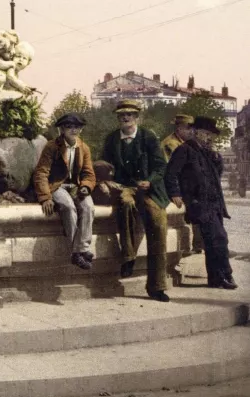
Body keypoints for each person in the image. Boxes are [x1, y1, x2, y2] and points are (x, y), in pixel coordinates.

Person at [100, 100, 171, 302]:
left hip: (150, 189)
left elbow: (160, 167)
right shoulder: (112, 139)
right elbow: (104, 164)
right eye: (122, 115)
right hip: (125, 188)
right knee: (125, 203)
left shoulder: (148, 137)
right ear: (118, 118)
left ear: (137, 118)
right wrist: (106, 180)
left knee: (158, 224)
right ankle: (129, 257)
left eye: (130, 115)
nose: (125, 118)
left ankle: (157, 286)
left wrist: (149, 181)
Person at [165, 116, 236, 290]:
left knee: (216, 240)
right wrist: (175, 193)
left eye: (212, 135)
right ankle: (224, 275)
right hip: (199, 202)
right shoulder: (185, 150)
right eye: (206, 134)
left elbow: (216, 177)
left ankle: (216, 278)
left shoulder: (208, 152)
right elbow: (171, 174)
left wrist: (217, 159)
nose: (210, 138)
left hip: (215, 203)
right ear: (196, 132)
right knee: (218, 238)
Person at [34, 113, 97, 270]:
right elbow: (41, 173)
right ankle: (78, 252)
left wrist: (85, 186)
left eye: (77, 127)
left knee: (88, 206)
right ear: (62, 129)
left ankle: (81, 249)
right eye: (69, 127)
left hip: (75, 186)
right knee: (68, 207)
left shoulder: (83, 148)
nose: (73, 130)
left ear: (80, 130)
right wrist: (45, 197)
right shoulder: (52, 147)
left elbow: (89, 174)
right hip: (56, 186)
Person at [161, 114, 203, 254]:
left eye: (192, 129)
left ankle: (197, 244)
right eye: (188, 129)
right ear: (178, 129)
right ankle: (192, 246)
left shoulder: (186, 144)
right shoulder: (171, 144)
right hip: (172, 186)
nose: (191, 132)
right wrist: (176, 192)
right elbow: (170, 171)